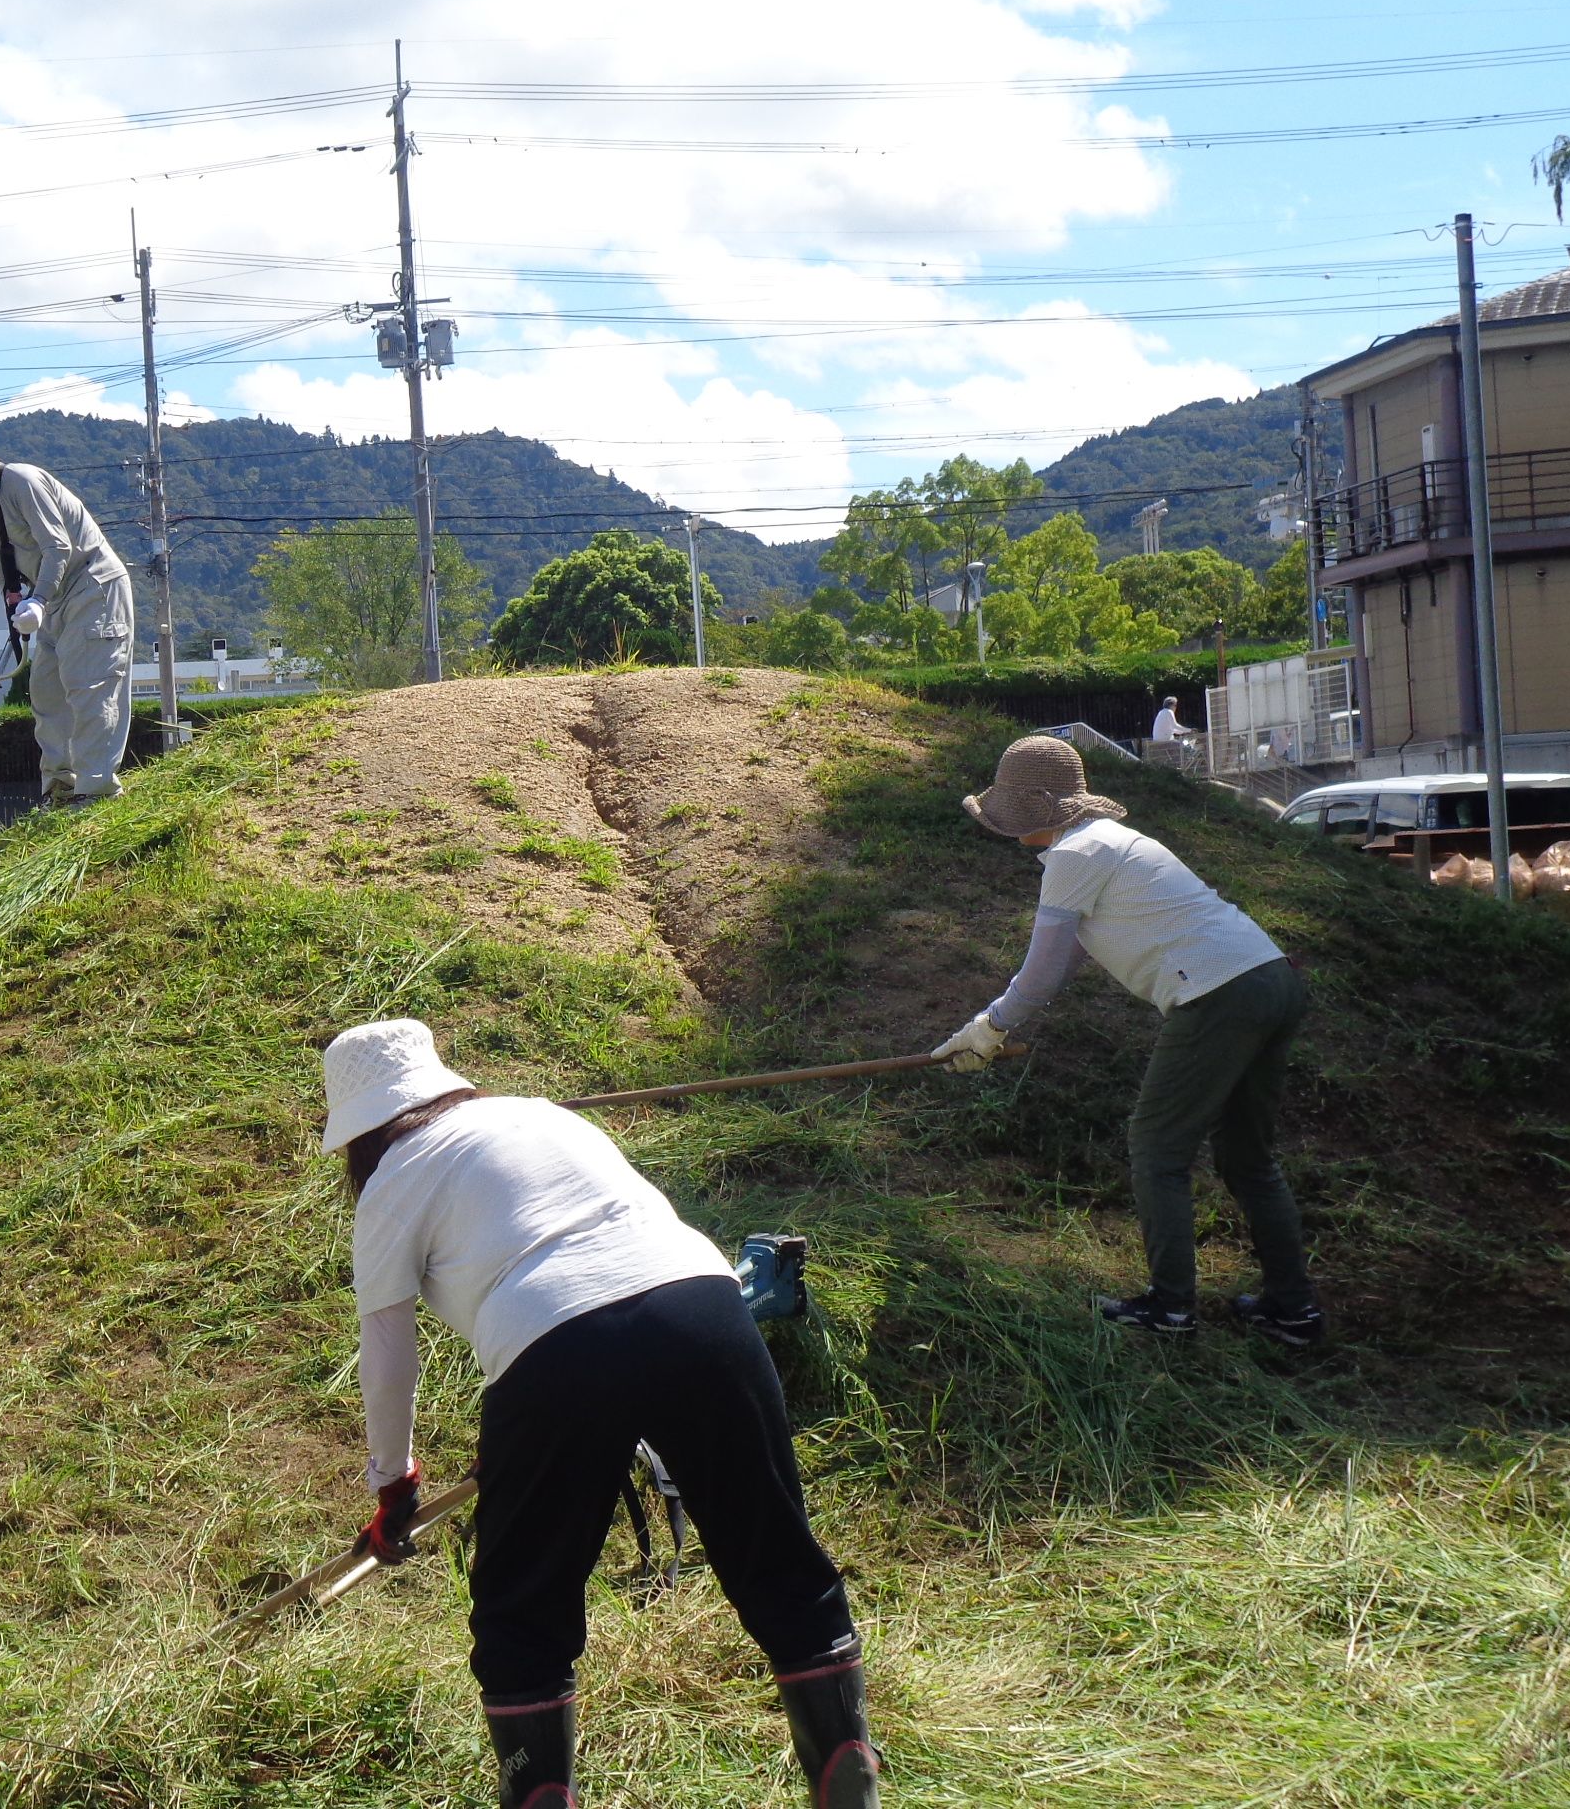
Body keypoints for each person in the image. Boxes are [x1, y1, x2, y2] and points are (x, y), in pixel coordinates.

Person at [322, 1018, 878, 1809]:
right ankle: (847, 1771)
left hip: (554, 1347)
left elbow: (387, 1354)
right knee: (780, 1563)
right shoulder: (543, 1114)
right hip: (705, 1305)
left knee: (523, 1616)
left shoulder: (391, 1184)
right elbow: (625, 1294)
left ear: (358, 1136)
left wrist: (393, 1484)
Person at [932, 735, 1323, 1346]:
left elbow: (1040, 974)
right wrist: (991, 1025)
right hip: (1271, 979)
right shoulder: (1112, 844)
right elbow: (1063, 965)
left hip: (1217, 997)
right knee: (1248, 1158)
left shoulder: (1075, 855)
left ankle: (1170, 1310)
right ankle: (1293, 1312)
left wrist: (991, 1027)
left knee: (1156, 1150)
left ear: (1033, 810)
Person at [0, 429, 135, 806]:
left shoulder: (23, 481)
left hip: (91, 588)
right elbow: (0, 558)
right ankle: (60, 789)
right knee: (48, 693)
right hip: (49, 601)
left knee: (89, 687)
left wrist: (39, 599)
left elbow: (58, 545)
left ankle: (96, 792)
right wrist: (13, 600)